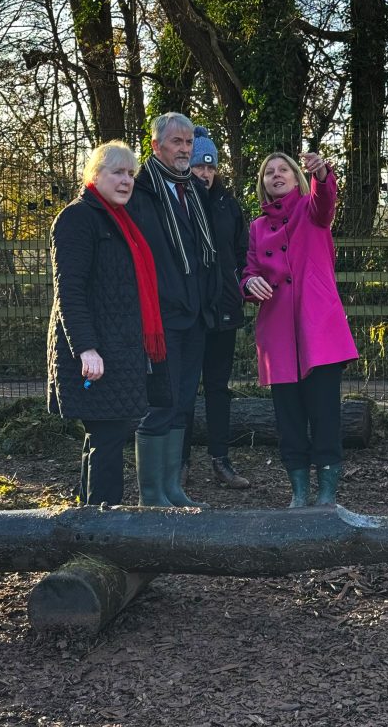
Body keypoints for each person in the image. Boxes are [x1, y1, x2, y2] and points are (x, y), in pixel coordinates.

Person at [47, 140, 170, 506]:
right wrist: (86, 348)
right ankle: (104, 524)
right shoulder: (77, 219)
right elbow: (69, 292)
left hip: (119, 352)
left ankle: (91, 519)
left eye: (131, 174)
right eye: (117, 172)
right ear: (95, 175)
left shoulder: (118, 220)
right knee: (108, 437)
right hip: (95, 354)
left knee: (104, 437)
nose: (126, 181)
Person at [241, 151, 358, 507]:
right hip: (277, 335)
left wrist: (323, 173)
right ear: (263, 183)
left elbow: (326, 201)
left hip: (319, 331)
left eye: (283, 170)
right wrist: (249, 285)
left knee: (325, 415)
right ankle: (299, 493)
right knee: (288, 420)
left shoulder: (312, 210)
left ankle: (326, 495)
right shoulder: (257, 228)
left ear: (297, 177)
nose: (276, 175)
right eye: (268, 172)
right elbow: (247, 271)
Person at [127, 112, 220, 506]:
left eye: (188, 143)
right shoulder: (139, 190)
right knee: (159, 403)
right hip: (159, 317)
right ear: (155, 146)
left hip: (194, 315)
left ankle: (172, 489)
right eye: (177, 142)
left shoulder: (193, 190)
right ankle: (152, 496)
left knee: (182, 402)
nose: (184, 150)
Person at [181, 126, 251, 489]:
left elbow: (242, 253)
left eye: (210, 167)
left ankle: (220, 461)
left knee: (218, 389)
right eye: (197, 166)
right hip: (189, 315)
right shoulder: (176, 204)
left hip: (225, 311)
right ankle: (181, 463)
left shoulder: (229, 205)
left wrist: (239, 287)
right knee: (184, 389)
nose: (204, 173)